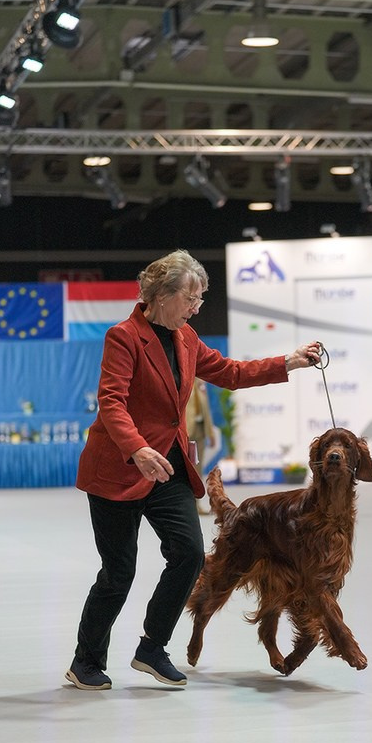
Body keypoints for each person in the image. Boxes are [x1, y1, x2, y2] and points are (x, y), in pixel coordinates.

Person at [65, 248, 322, 691]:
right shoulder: (123, 336)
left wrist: (288, 362)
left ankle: (152, 648)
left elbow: (231, 371)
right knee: (118, 572)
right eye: (191, 297)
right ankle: (85, 661)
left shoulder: (187, 338)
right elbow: (111, 402)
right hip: (119, 470)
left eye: (201, 298)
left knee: (188, 555)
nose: (197, 306)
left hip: (168, 469)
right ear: (160, 295)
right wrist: (138, 449)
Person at [185, 378, 216, 514]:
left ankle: (196, 505)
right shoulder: (182, 383)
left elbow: (207, 411)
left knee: (197, 470)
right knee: (184, 471)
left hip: (200, 430)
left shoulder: (200, 385)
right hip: (185, 432)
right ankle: (185, 507)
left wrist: (210, 433)